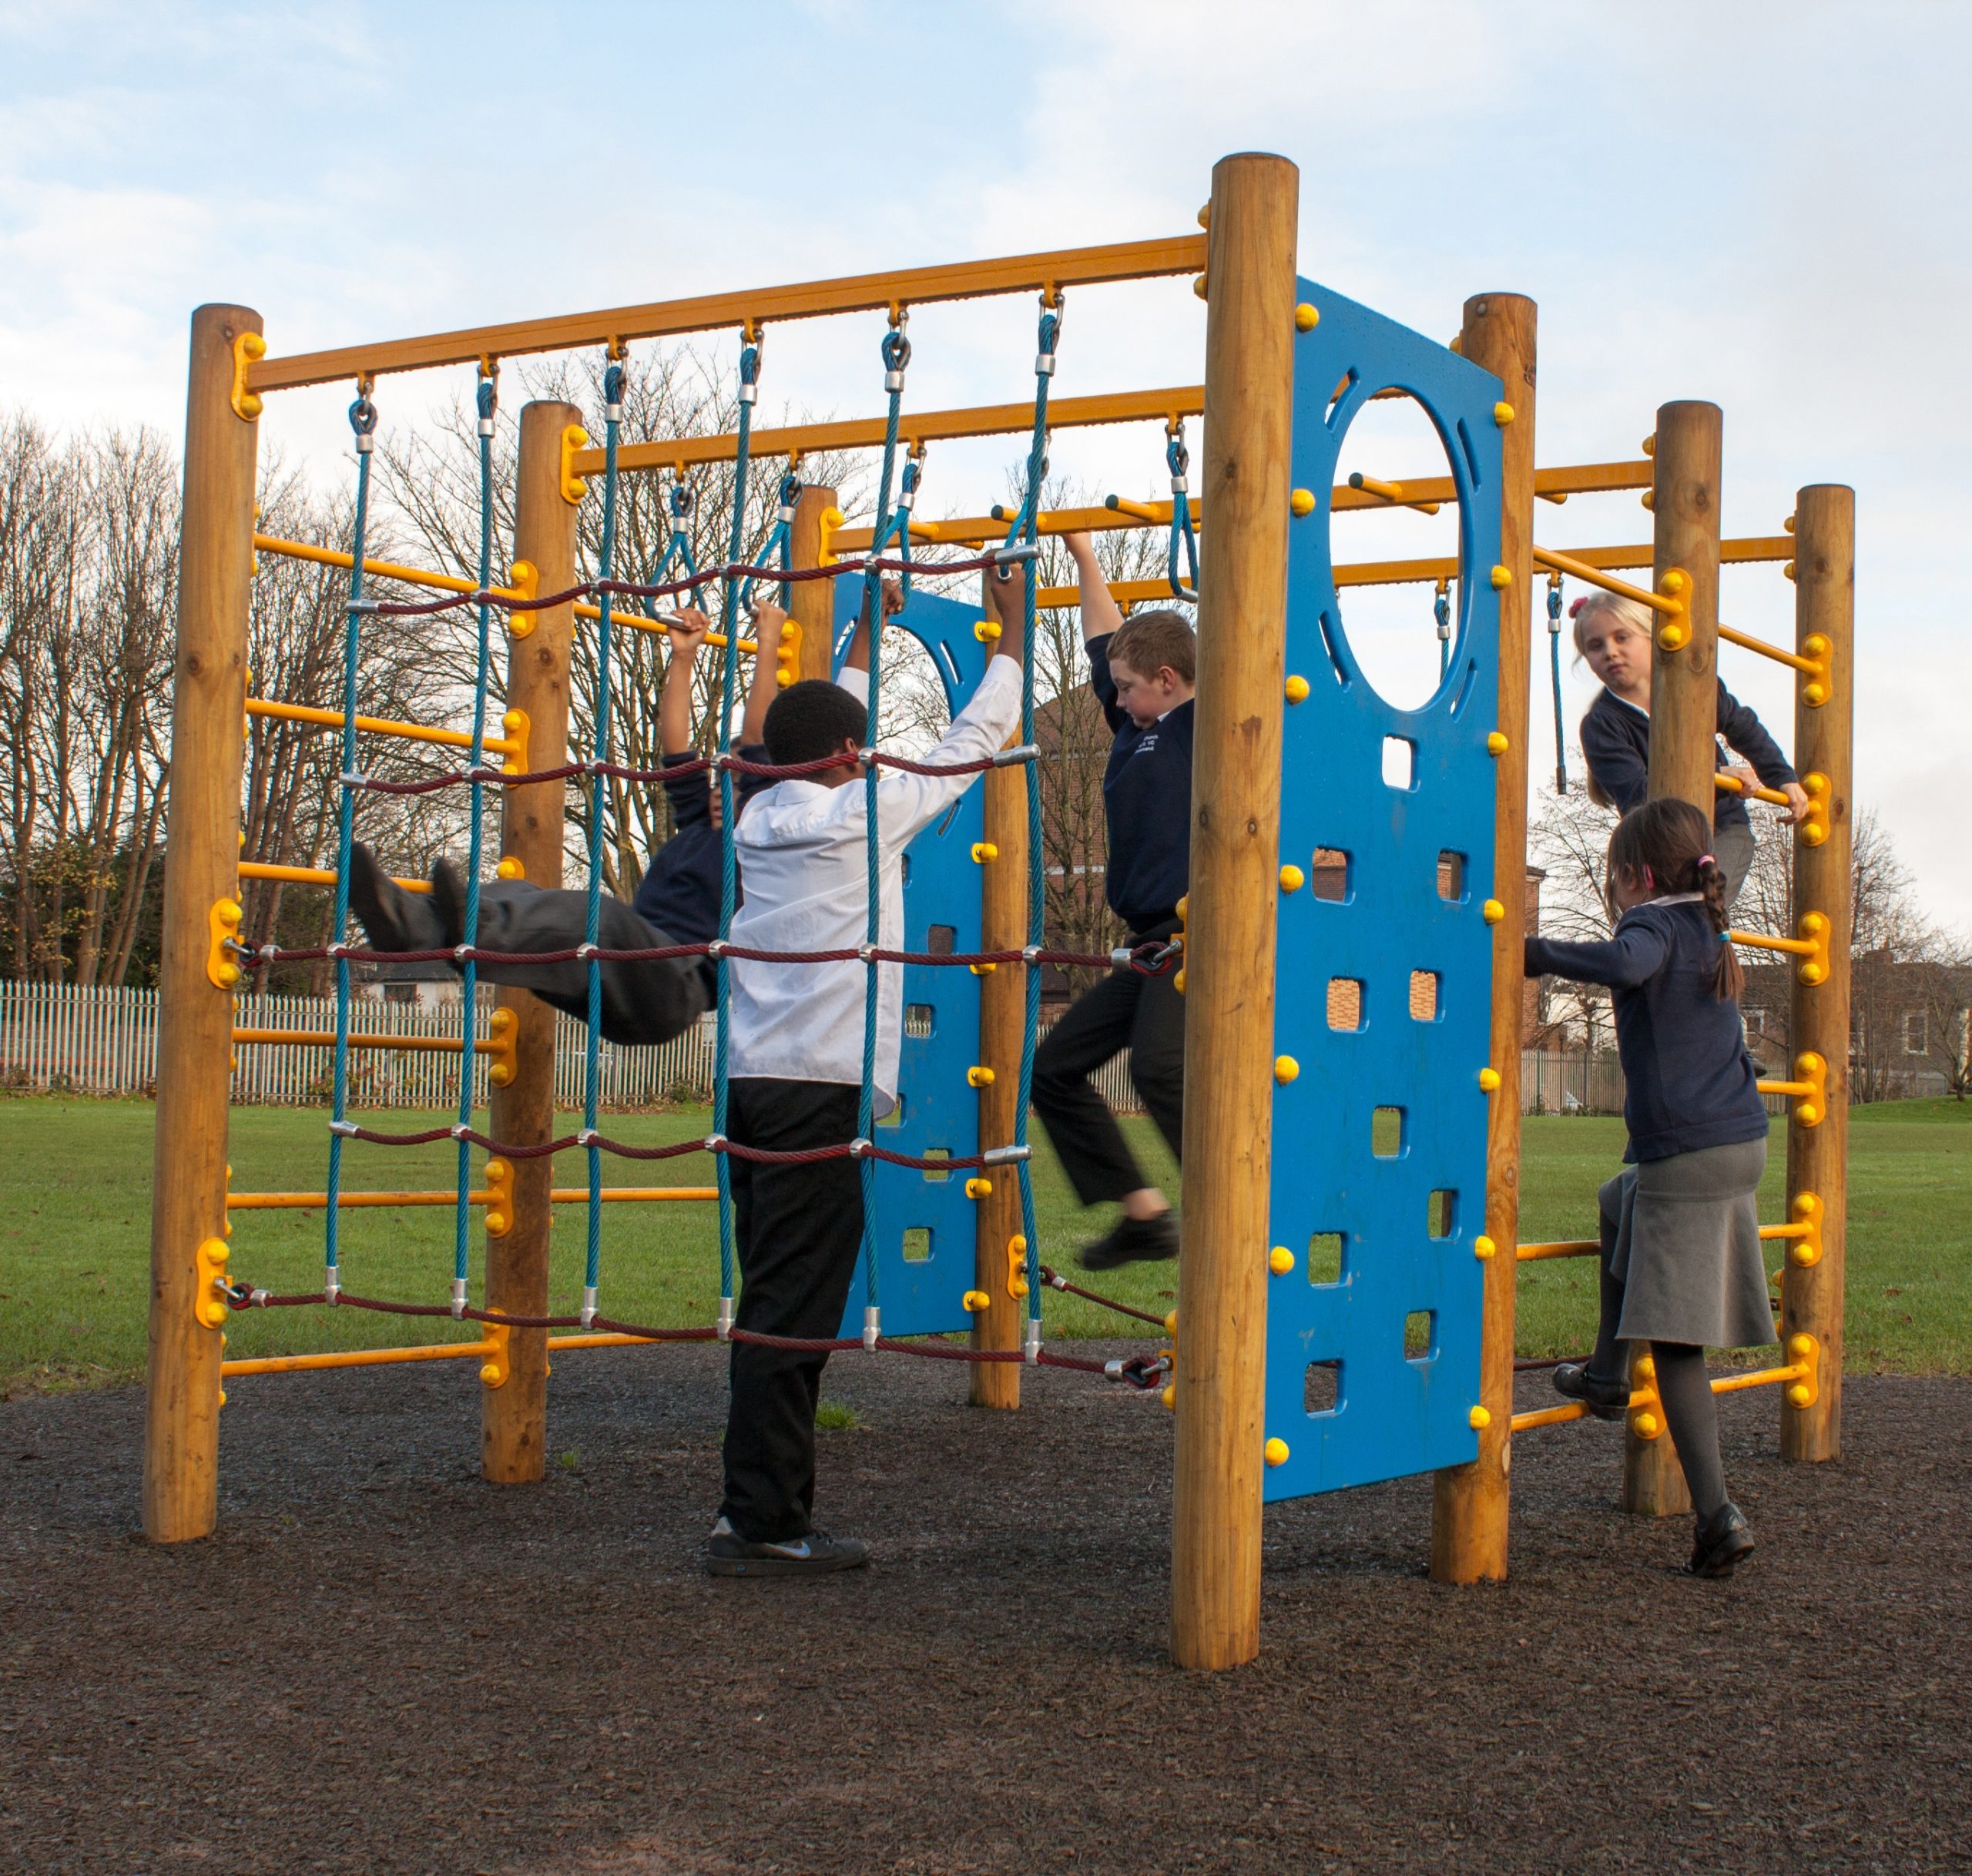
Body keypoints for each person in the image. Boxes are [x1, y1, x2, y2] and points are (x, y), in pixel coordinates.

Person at [705, 564, 1029, 1577]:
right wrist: (1012, 639)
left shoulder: (756, 817)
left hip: (752, 1086)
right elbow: (967, 747)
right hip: (818, 1096)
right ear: (852, 756)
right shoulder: (861, 816)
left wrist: (862, 641)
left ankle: (764, 1513)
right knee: (793, 1314)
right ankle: (759, 1524)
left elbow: (808, 739)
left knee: (776, 1298)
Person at [1522, 796, 1775, 1579]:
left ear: (1632, 875)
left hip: (1689, 1152)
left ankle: (1716, 1517)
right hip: (1739, 1142)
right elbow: (1738, 845)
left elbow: (1627, 963)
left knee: (1674, 1345)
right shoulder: (1708, 907)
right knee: (1614, 1200)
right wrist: (1732, 797)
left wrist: (1533, 951)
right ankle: (1605, 1374)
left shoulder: (1651, 924)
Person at [1030, 531, 1192, 1271]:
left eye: (1127, 686)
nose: (1114, 698)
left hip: (1202, 934)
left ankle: (1243, 1198)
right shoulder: (1136, 723)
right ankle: (1145, 1215)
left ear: (1167, 678)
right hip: (1151, 946)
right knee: (1055, 1067)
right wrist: (1085, 557)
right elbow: (1104, 639)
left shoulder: (1203, 728)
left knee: (1160, 1066)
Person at [1571, 590, 1809, 908]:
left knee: (1700, 909)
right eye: (1596, 646)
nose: (1611, 652)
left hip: (1721, 828)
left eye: (1622, 638)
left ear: (1651, 636)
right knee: (1663, 920)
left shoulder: (1693, 687)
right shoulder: (1602, 725)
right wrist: (1716, 777)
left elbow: (1744, 727)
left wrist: (1783, 777)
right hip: (1659, 847)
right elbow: (1640, 797)